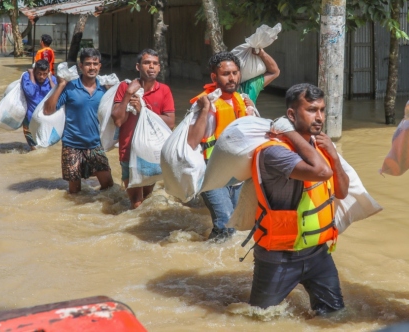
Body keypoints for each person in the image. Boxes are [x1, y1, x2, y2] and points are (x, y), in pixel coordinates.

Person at [241, 83, 349, 315]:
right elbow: (321, 172)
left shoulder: (318, 148)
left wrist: (335, 156)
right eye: (311, 110)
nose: (319, 117)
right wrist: (288, 132)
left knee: (335, 316)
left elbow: (341, 192)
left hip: (318, 253)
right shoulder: (274, 152)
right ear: (291, 114)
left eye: (321, 109)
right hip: (278, 257)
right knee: (259, 319)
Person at [187, 50, 277, 241]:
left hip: (237, 175)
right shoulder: (205, 103)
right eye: (226, 74)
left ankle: (210, 255)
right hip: (211, 173)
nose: (232, 78)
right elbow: (192, 141)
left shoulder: (243, 101)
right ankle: (209, 264)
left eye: (235, 73)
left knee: (238, 225)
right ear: (214, 76)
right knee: (226, 223)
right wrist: (203, 111)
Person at [111, 48, 175, 209]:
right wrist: (127, 95)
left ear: (159, 68)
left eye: (155, 64)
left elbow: (170, 123)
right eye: (147, 63)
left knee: (147, 197)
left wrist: (143, 111)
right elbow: (118, 121)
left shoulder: (164, 90)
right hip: (128, 152)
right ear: (138, 67)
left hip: (152, 153)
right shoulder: (125, 87)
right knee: (137, 203)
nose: (151, 67)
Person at [43, 48, 113, 194]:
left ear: (100, 66)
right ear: (80, 66)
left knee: (108, 186)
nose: (92, 67)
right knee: (75, 192)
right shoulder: (70, 87)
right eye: (88, 64)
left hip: (95, 144)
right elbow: (47, 110)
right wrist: (61, 85)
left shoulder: (105, 89)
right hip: (72, 145)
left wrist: (113, 91)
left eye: (95, 63)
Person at [21, 59, 56, 150]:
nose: (41, 77)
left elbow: (57, 94)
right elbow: (30, 92)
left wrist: (50, 78)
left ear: (48, 72)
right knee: (34, 148)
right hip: (29, 118)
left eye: (44, 74)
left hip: (46, 118)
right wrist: (32, 75)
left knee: (45, 145)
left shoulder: (52, 80)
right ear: (34, 71)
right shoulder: (27, 77)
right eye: (38, 73)